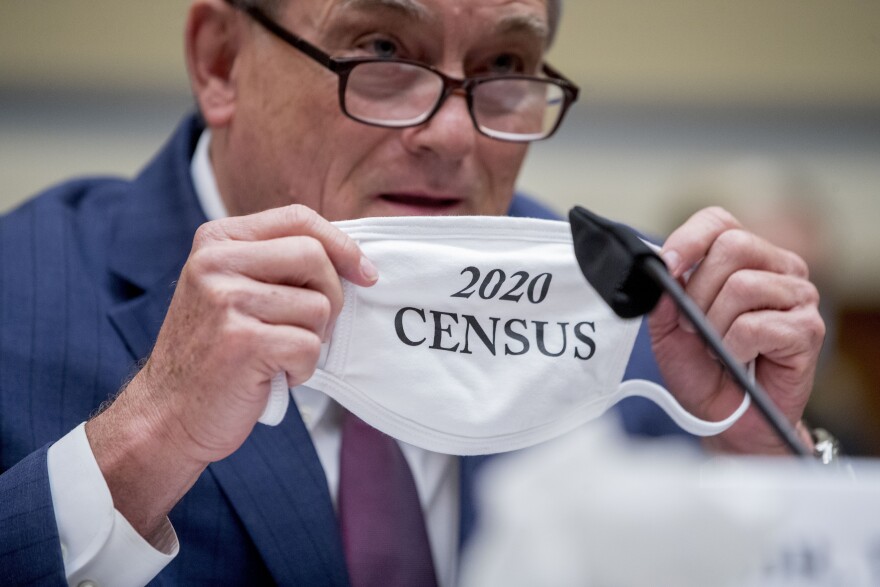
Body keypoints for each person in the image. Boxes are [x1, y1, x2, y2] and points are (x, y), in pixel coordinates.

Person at [0, 0, 825, 585]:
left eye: (505, 66)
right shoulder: (21, 287)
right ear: (221, 61)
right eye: (383, 50)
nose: (454, 134)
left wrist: (762, 464)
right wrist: (147, 439)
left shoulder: (635, 315)